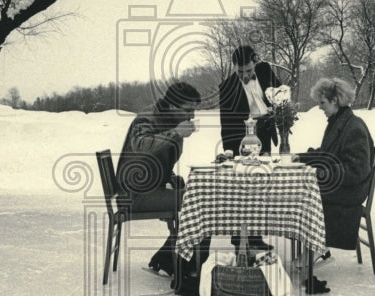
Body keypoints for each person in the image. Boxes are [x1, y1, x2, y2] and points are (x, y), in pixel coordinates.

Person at [116, 81, 205, 276]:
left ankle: (170, 260)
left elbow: (156, 159)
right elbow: (140, 145)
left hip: (149, 188)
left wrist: (170, 177)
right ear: (172, 105)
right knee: (200, 201)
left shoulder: (170, 119)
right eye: (188, 110)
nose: (192, 116)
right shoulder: (147, 118)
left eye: (194, 111)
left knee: (198, 195)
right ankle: (185, 267)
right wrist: (175, 133)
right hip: (134, 195)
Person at [300, 77, 375, 279]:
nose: (319, 107)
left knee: (307, 197)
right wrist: (304, 157)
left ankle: (317, 250)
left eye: (322, 103)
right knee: (304, 193)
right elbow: (329, 154)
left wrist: (324, 172)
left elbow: (356, 170)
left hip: (351, 190)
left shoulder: (354, 127)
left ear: (335, 100)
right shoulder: (339, 122)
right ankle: (316, 248)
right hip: (341, 184)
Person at [218, 44, 282, 251]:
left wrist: (279, 112)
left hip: (265, 130)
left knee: (261, 184)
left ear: (255, 62)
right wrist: (229, 152)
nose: (245, 75)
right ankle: (240, 239)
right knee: (241, 189)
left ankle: (255, 237)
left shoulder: (264, 71)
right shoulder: (227, 87)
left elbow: (281, 95)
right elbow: (225, 123)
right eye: (240, 71)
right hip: (241, 138)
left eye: (248, 70)